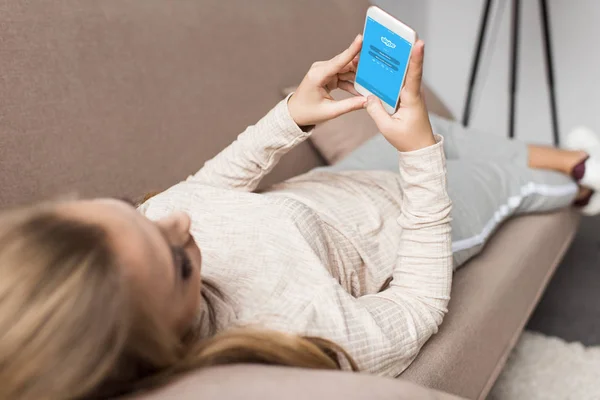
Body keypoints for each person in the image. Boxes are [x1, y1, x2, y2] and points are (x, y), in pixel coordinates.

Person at [0, 35, 598, 400]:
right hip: (415, 219)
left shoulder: (149, 240)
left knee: (452, 134)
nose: (176, 222)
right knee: (509, 182)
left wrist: (294, 114)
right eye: (177, 262)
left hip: (338, 186)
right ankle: (580, 181)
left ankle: (572, 154)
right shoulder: (294, 331)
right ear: (158, 350)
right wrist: (417, 156)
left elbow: (205, 190)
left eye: (136, 212)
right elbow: (416, 308)